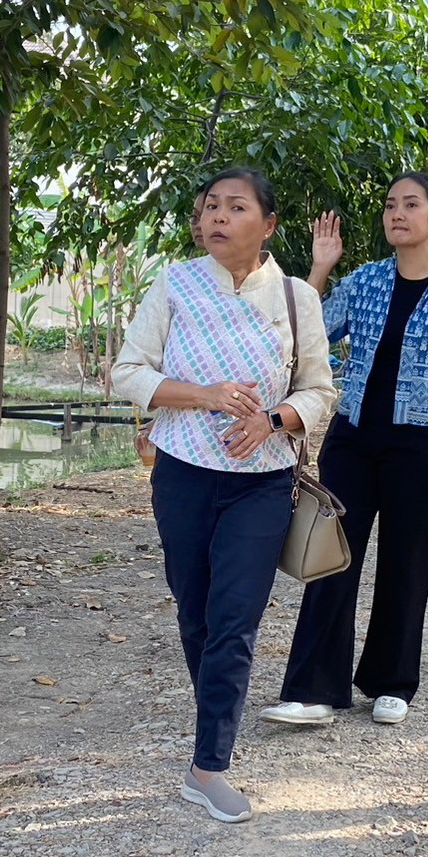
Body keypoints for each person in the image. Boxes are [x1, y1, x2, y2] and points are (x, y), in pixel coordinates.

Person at [111, 167, 335, 823]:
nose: (217, 217)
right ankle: (214, 710)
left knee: (233, 621)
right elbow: (128, 371)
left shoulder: (297, 297)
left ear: (266, 226)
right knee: (197, 614)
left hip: (261, 484)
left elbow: (319, 390)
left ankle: (209, 764)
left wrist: (272, 420)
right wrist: (202, 395)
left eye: (235, 207)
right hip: (181, 473)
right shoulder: (175, 284)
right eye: (209, 206)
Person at [260, 172, 428, 728]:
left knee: (407, 561)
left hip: (424, 443)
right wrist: (321, 266)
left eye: (411, 205)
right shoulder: (366, 280)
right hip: (355, 439)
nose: (398, 213)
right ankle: (314, 689)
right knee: (330, 558)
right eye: (391, 205)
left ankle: (392, 680)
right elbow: (304, 330)